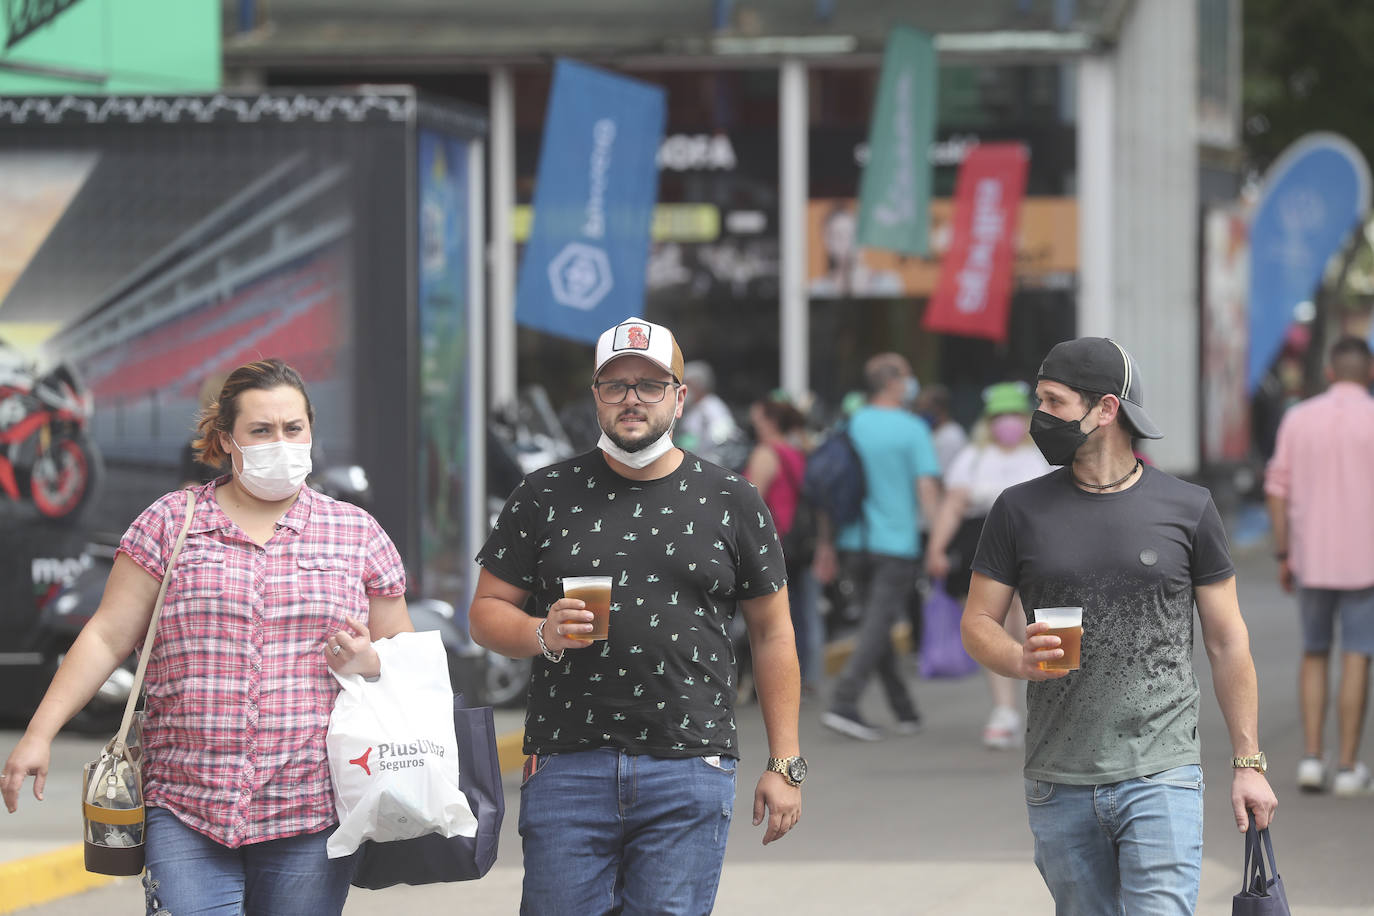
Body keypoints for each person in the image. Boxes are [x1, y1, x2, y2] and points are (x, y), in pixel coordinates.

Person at [1, 358, 413, 915]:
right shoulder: (171, 522)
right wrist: (39, 733)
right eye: (261, 431)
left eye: (293, 429)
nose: (281, 442)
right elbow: (105, 635)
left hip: (310, 807)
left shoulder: (356, 532)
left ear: (311, 430)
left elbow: (402, 656)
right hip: (185, 803)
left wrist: (369, 660)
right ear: (226, 439)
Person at [468, 316, 803, 916]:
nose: (632, 400)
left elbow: (773, 631)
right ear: (595, 397)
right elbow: (486, 613)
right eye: (615, 385)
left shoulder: (731, 498)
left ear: (679, 396)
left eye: (649, 385)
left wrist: (785, 763)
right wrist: (540, 631)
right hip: (568, 766)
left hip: (690, 764)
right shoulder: (544, 494)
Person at [961, 337, 1277, 915]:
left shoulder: (1188, 508)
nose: (1040, 416)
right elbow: (978, 620)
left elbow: (1228, 642)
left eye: (1054, 402)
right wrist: (1017, 659)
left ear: (1106, 409)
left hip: (1162, 770)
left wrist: (1248, 763)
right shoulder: (1017, 510)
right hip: (1058, 777)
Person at [1265, 334, 1374, 795]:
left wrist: (1284, 553)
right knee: (1356, 656)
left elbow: (1277, 488)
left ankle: (1312, 759)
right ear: (1368, 373)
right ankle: (1348, 767)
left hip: (1310, 558)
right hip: (1365, 564)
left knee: (1313, 653)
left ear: (1329, 371)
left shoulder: (1298, 418)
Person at [816, 352, 940, 741]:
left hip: (854, 539)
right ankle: (844, 701)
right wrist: (938, 540)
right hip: (896, 541)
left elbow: (827, 484)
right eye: (907, 376)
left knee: (877, 621)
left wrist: (827, 544)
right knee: (877, 622)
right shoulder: (912, 428)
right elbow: (926, 487)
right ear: (895, 384)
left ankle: (904, 710)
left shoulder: (850, 424)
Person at [925, 382, 1050, 749]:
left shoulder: (1041, 455)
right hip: (984, 546)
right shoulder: (973, 457)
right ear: (989, 421)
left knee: (1022, 618)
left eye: (1014, 415)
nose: (1007, 423)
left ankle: (1027, 703)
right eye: (1000, 417)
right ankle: (1005, 708)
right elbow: (952, 506)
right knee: (990, 622)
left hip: (1033, 545)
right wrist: (936, 548)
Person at [742, 393, 823, 696]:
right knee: (802, 612)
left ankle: (777, 679)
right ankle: (804, 675)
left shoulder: (766, 453)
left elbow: (751, 499)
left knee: (771, 618)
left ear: (769, 421)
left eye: (758, 418)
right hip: (800, 542)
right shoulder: (797, 450)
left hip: (774, 541)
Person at [677, 359, 744, 468]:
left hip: (710, 467)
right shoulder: (694, 408)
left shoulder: (713, 408)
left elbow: (724, 441)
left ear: (697, 384)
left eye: (687, 383)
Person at [914, 383, 969, 474]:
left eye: (926, 407)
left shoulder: (951, 436)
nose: (920, 412)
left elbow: (941, 474)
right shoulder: (933, 431)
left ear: (940, 408)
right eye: (919, 407)